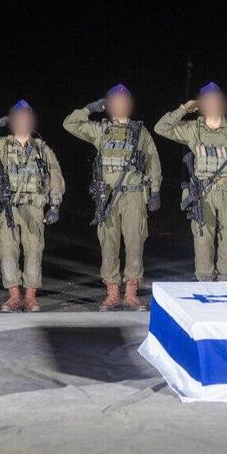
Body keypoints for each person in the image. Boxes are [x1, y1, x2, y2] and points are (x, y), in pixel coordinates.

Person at [63, 84, 162, 310]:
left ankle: (131, 293)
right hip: (107, 196)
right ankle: (113, 293)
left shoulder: (140, 131)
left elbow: (153, 161)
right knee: (109, 243)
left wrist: (155, 190)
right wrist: (89, 109)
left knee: (135, 242)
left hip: (134, 195)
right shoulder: (101, 130)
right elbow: (69, 124)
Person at [155, 81, 227, 281]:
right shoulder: (193, 129)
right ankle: (204, 281)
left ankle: (225, 281)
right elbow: (161, 128)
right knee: (203, 238)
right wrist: (184, 108)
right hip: (203, 194)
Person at [0, 100, 66, 312]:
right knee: (7, 250)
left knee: (34, 251)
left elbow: (55, 176)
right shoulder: (2, 145)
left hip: (34, 207)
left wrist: (55, 206)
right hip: (9, 208)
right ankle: (14, 296)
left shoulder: (42, 149)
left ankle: (30, 297)